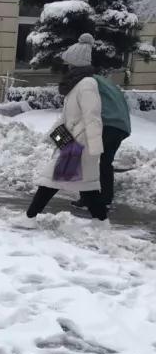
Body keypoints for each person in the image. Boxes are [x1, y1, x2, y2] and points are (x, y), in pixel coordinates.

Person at [24, 34, 107, 224]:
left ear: (76, 63)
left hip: (80, 141)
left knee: (52, 181)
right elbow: (66, 117)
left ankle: (30, 217)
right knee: (85, 186)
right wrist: (52, 135)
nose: (67, 66)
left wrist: (94, 146)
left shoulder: (87, 84)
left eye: (69, 63)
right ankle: (102, 222)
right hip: (70, 139)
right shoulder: (77, 84)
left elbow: (92, 115)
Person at [71, 71, 131, 210]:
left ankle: (87, 199)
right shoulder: (106, 83)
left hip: (105, 123)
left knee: (85, 160)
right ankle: (106, 198)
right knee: (105, 162)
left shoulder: (86, 83)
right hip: (120, 126)